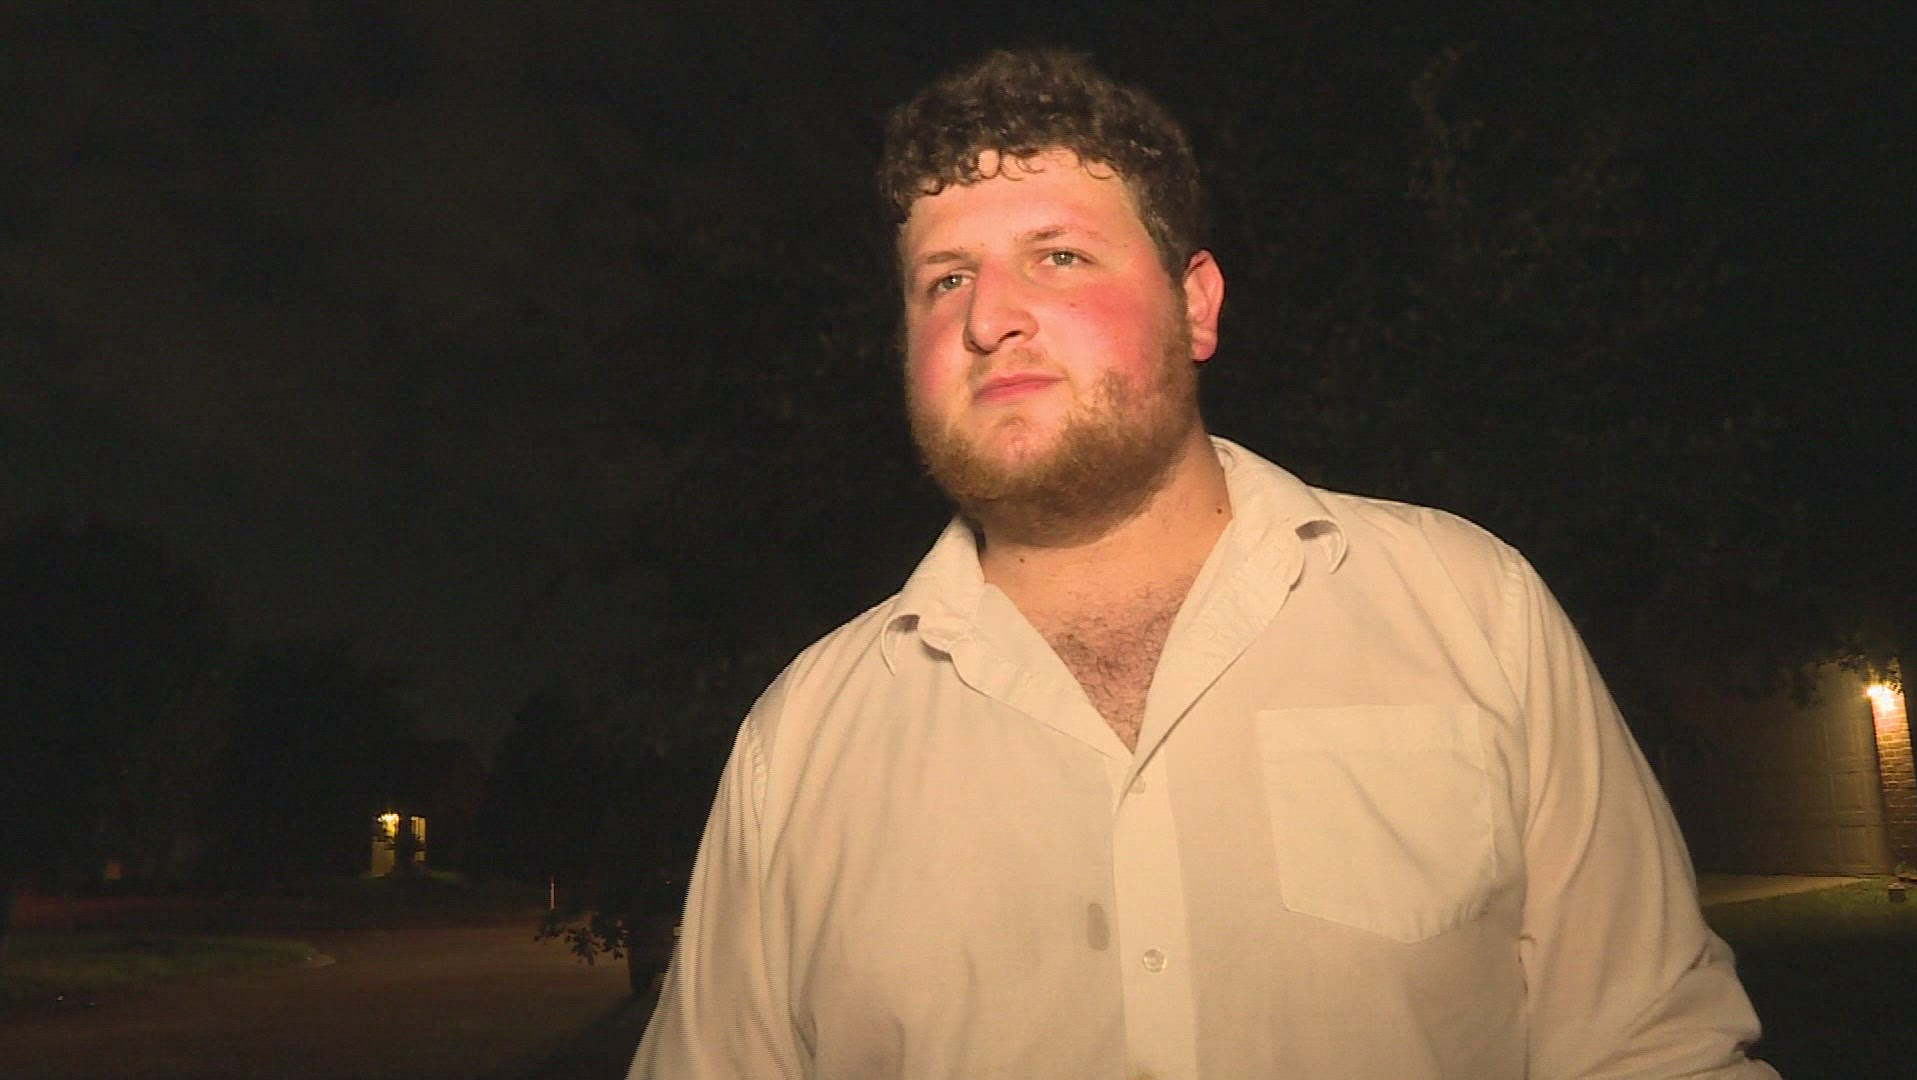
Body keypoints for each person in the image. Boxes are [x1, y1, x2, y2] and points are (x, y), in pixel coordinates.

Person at [631, 48, 1777, 1079]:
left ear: (1196, 307)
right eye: (945, 279)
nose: (990, 318)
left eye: (1058, 255)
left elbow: (1655, 1051)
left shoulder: (1471, 609)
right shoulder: (800, 745)